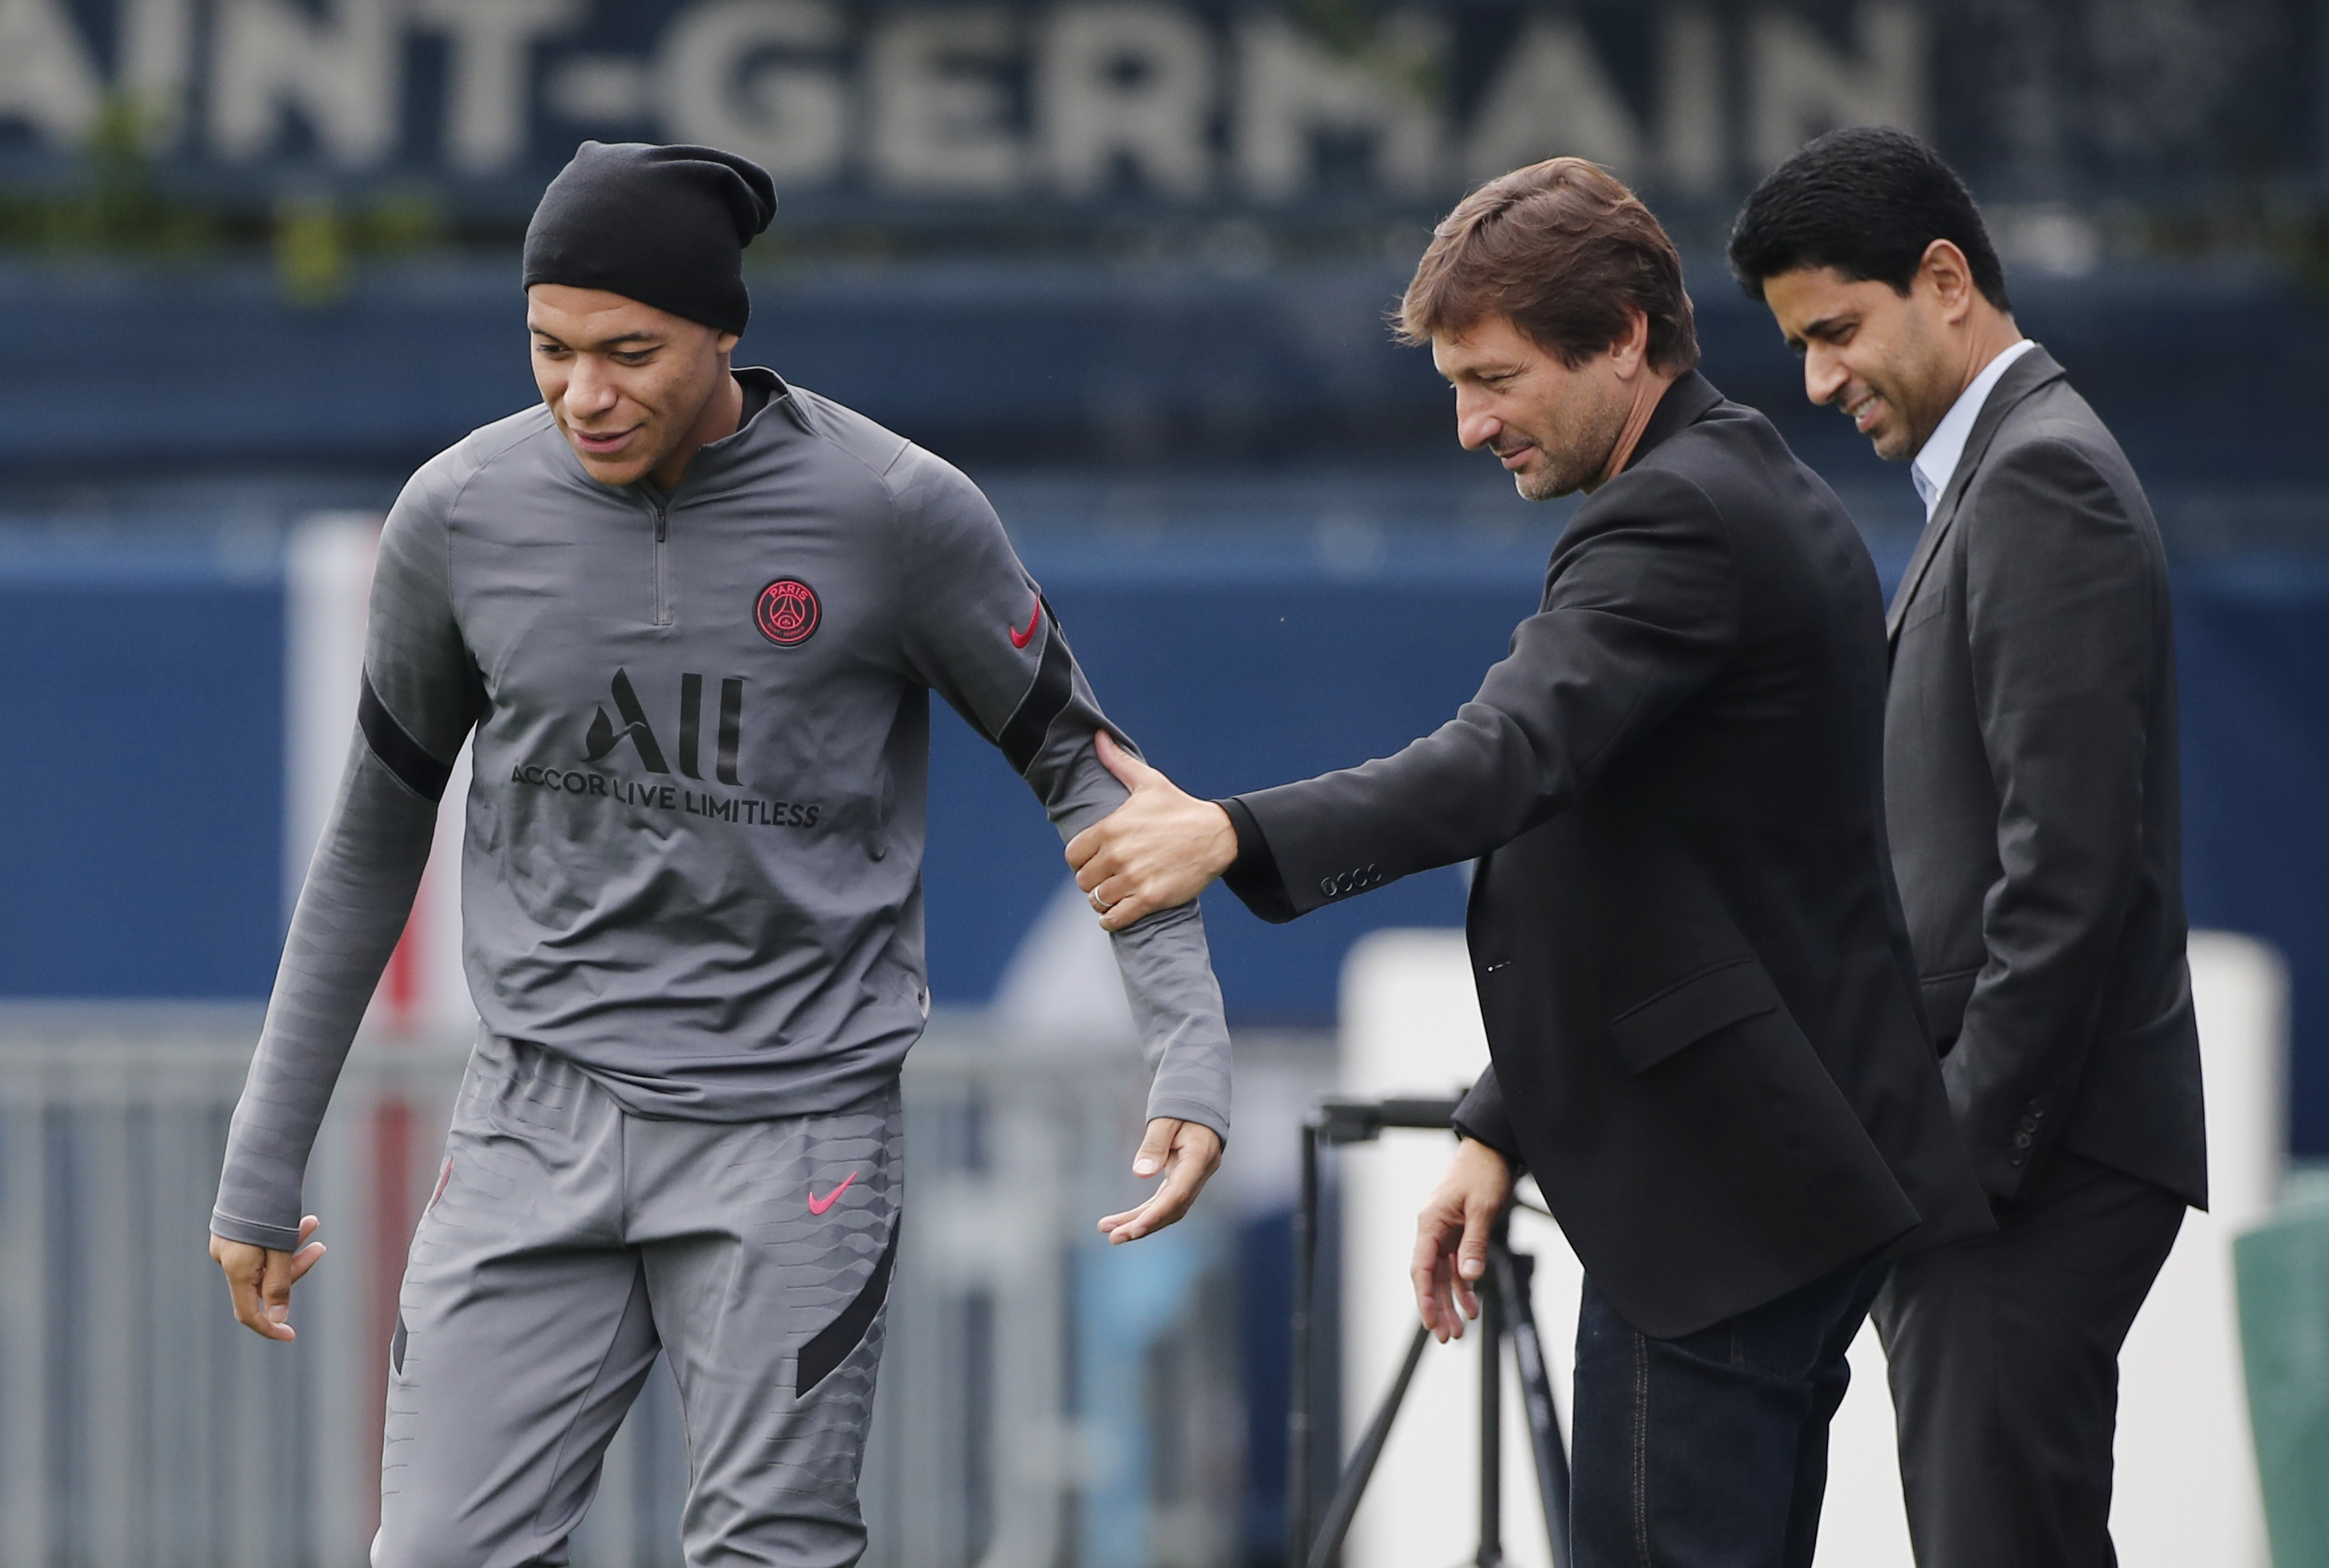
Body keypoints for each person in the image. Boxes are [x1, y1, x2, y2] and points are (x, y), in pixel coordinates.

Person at [206, 141, 1232, 1568]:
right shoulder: (457, 517)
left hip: (795, 1140)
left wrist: (1183, 1049)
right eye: (549, 349)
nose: (583, 393)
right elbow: (374, 839)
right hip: (529, 1130)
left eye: (630, 351)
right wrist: (262, 1158)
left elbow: (1094, 777)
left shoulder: (897, 511)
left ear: (725, 334)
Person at [1067, 156, 1989, 1568]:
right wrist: (1508, 1117)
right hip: (1756, 1177)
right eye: (1451, 382)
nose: (1465, 423)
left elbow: (1501, 761)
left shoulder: (1677, 514)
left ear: (1622, 336)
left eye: (1491, 377)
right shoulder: (1725, 490)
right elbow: (1657, 850)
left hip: (1723, 1198)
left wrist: (1231, 832)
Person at [1729, 125, 2204, 1568]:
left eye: (1836, 331)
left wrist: (1953, 1160)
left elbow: (2062, 875)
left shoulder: (2039, 481)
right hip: (2008, 1165)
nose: (1817, 380)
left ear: (1944, 279)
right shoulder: (2001, 475)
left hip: (2028, 1170)